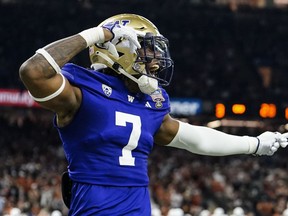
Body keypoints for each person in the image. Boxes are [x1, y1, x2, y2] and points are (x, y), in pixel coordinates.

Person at [19, 13, 288, 216]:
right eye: (148, 51)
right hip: (95, 206)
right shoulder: (82, 90)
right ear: (119, 49)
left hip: (138, 206)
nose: (157, 61)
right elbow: (33, 71)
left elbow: (194, 139)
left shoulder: (149, 102)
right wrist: (97, 34)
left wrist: (254, 144)